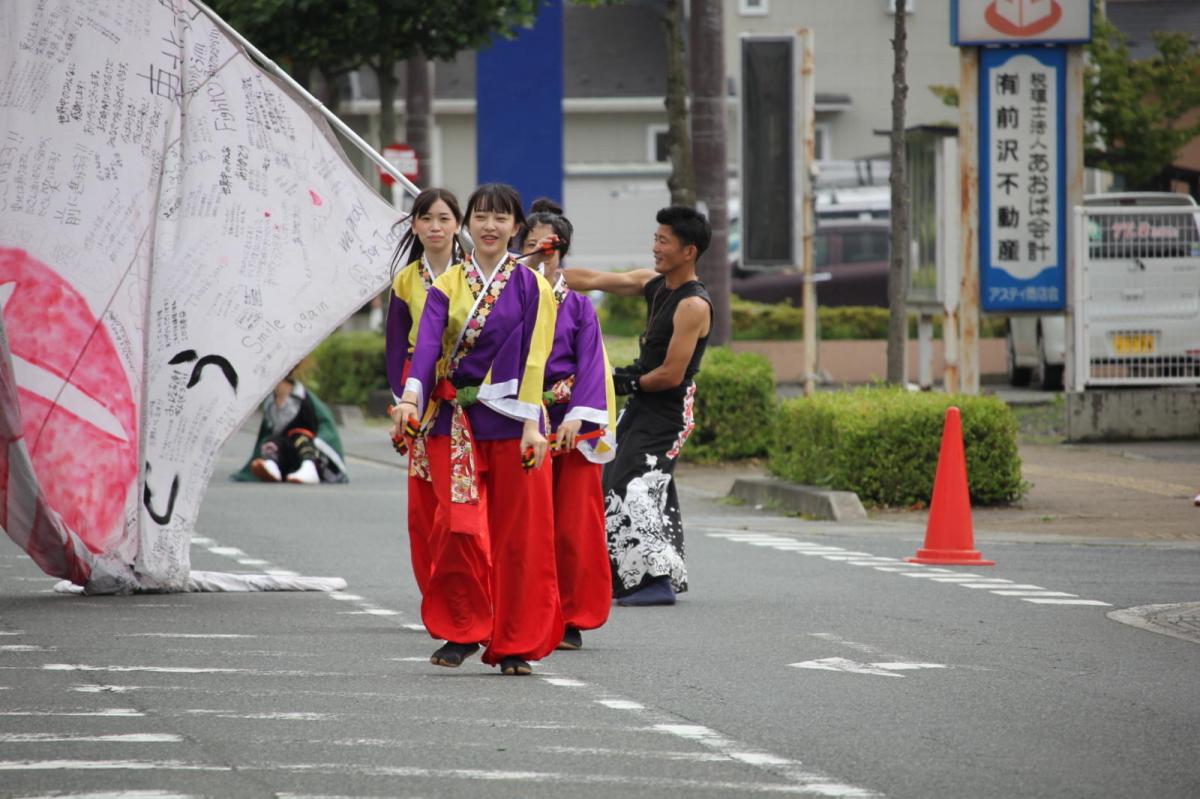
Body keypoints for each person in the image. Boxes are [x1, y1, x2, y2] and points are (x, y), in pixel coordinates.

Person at [392, 183, 562, 676]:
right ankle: (464, 627)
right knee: (458, 527)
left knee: (519, 538)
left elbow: (536, 359)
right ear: (469, 225)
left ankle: (514, 643)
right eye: (482, 217)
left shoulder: (534, 286)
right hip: (455, 423)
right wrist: (409, 397)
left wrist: (532, 422)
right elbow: (425, 348)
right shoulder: (447, 285)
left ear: (516, 228)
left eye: (501, 218)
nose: (490, 226)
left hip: (515, 426)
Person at [562, 206, 713, 607]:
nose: (655, 247)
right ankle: (649, 573)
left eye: (664, 241)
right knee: (617, 479)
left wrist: (620, 380)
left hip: (668, 412)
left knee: (631, 486)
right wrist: (534, 275)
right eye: (656, 238)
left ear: (689, 251)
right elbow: (595, 279)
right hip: (644, 404)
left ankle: (655, 580)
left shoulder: (693, 305)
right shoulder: (655, 283)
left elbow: (671, 375)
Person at [519, 198, 616, 651]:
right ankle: (527, 610)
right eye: (531, 244)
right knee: (524, 523)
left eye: (549, 245)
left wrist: (578, 415)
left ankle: (572, 616)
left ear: (562, 250)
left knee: (575, 524)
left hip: (569, 422)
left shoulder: (578, 306)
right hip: (518, 417)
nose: (542, 251)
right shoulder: (508, 300)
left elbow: (592, 364)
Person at [386, 187, 464, 597]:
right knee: (425, 502)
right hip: (421, 397)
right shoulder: (404, 280)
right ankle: (433, 586)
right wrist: (403, 401)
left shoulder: (472, 275)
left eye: (444, 218)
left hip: (467, 395)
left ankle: (466, 585)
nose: (435, 226)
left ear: (458, 225)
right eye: (427, 218)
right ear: (414, 225)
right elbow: (396, 346)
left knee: (462, 500)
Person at [243, 372, 348, 485]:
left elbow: (324, 425)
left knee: (299, 435)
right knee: (273, 441)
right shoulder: (269, 403)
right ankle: (272, 465)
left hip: (310, 449)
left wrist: (318, 441)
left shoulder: (303, 398)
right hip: (286, 450)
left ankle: (309, 467)